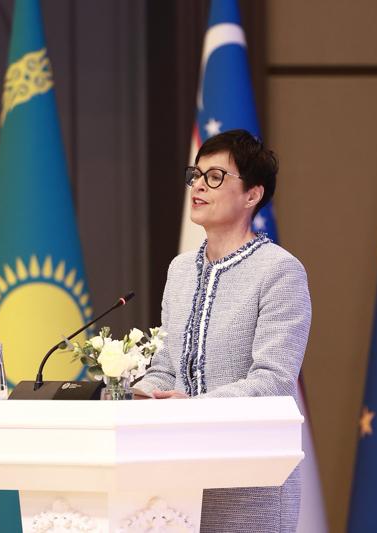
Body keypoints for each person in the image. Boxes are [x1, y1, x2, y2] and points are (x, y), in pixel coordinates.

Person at [133, 129, 312, 532]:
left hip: (250, 482)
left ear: (252, 195)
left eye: (215, 177)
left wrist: (193, 407)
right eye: (196, 175)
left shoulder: (280, 271)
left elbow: (273, 381)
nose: (198, 185)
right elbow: (166, 366)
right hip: (178, 478)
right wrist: (133, 396)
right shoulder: (180, 270)